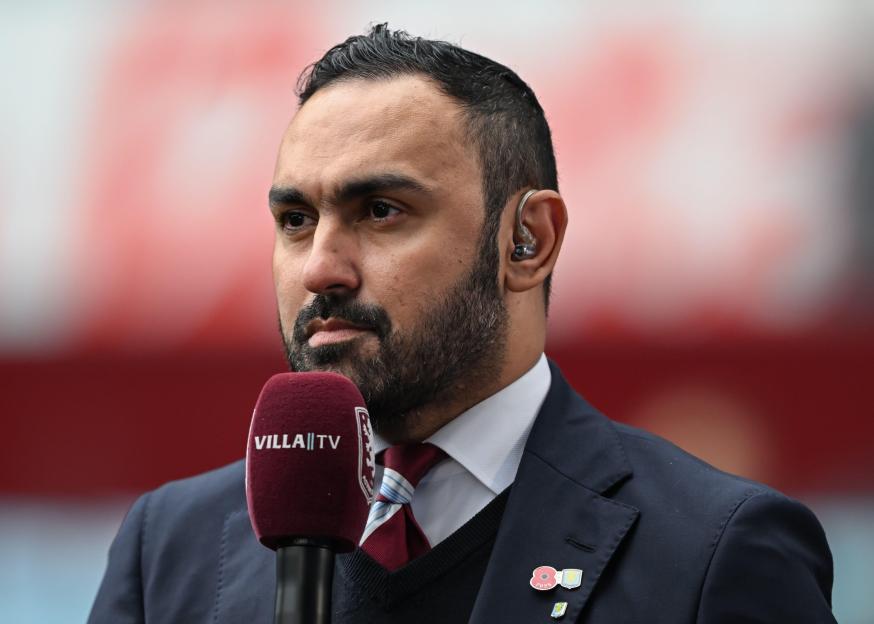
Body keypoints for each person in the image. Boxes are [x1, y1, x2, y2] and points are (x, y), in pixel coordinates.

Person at [88, 25, 837, 623]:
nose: (320, 268)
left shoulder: (713, 549)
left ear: (528, 241)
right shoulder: (170, 550)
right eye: (295, 219)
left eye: (381, 211)